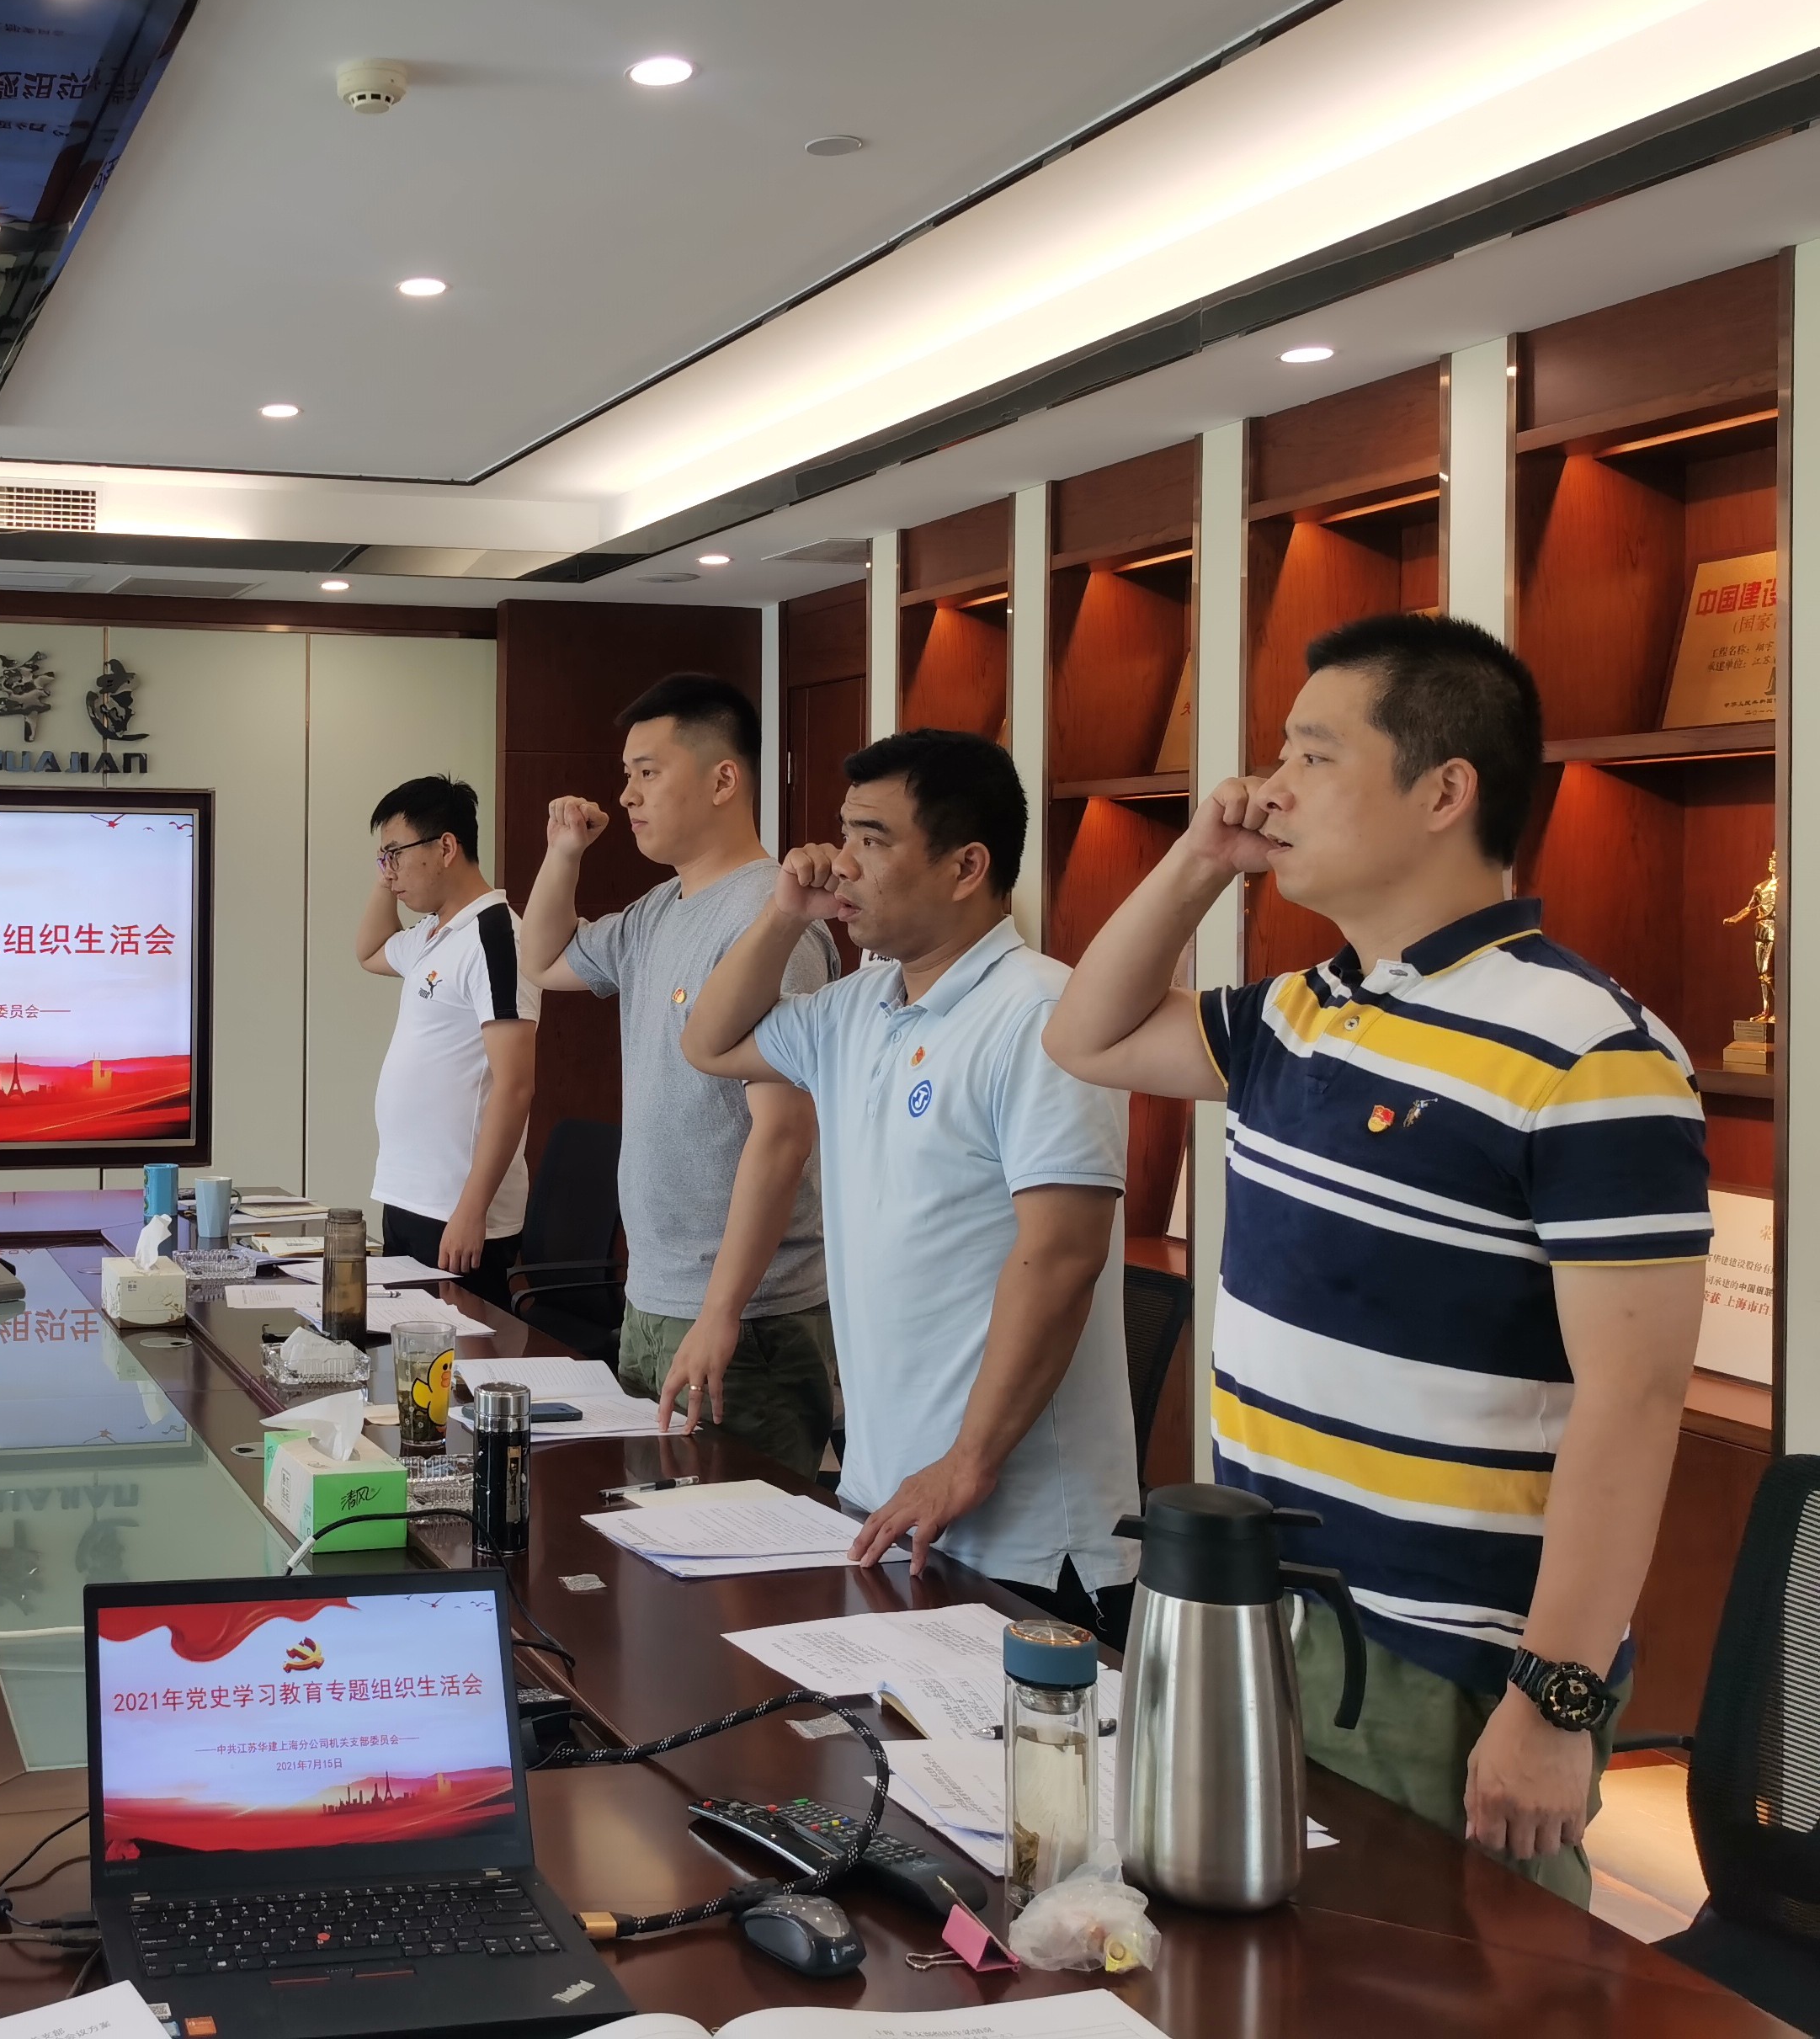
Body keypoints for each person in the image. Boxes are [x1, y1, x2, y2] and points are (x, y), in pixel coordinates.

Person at [1041, 613, 1708, 1902]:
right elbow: (1089, 1035)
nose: (1270, 788)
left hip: (1439, 1656)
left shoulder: (1591, 1052)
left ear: (1445, 792)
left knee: (1440, 1976)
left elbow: (1635, 1401)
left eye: (1315, 755)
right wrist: (1198, 861)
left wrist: (1555, 1698)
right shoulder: (1307, 1008)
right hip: (1267, 1606)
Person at [683, 727, 1139, 1638]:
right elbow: (709, 1042)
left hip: (1021, 1536)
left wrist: (967, 1461)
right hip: (887, 1500)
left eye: (874, 839)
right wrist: (784, 915)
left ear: (967, 867)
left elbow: (1062, 1259)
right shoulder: (859, 1006)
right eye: (843, 833)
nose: (842, 863)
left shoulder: (1041, 1010)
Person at [520, 674, 841, 1477]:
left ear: (724, 779)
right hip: (654, 1297)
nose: (627, 795)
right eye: (626, 775)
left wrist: (722, 1313)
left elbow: (785, 1133)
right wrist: (564, 852)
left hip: (746, 1320)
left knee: (741, 1546)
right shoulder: (658, 909)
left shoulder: (773, 922)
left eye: (647, 772)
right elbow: (542, 960)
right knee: (651, 1531)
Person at [355, 775, 539, 1307]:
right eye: (383, 857)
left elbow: (515, 1086)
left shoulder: (495, 937)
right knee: (404, 1351)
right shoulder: (433, 933)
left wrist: (472, 1211)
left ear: (447, 847)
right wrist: (386, 876)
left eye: (395, 853)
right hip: (408, 1195)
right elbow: (370, 952)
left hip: (457, 1211)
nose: (389, 870)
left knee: (460, 1358)